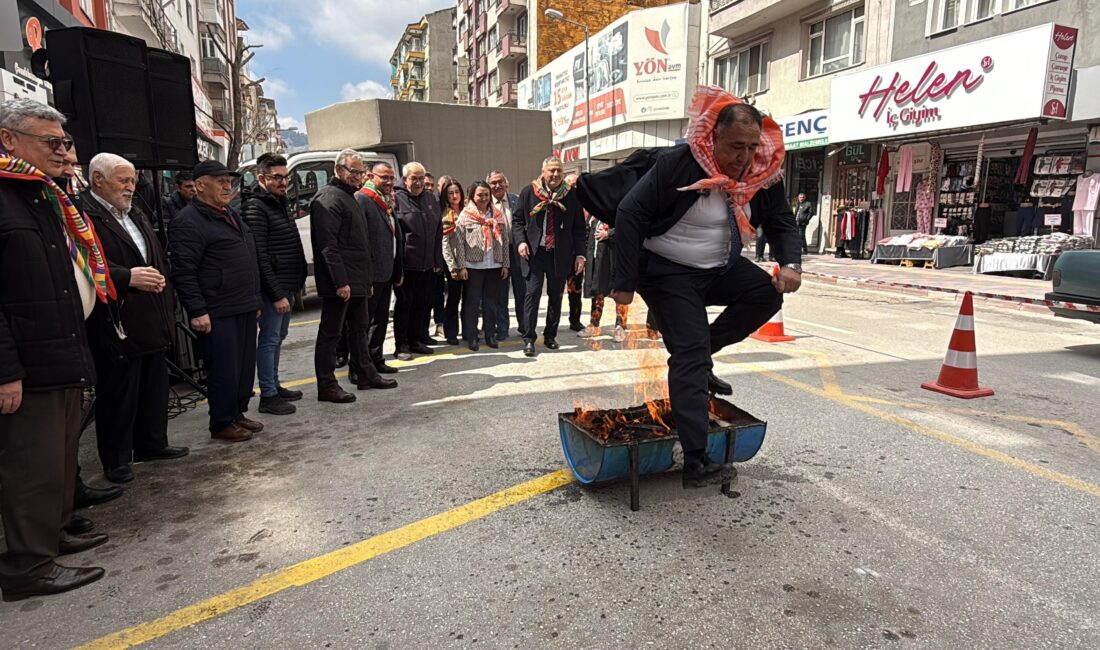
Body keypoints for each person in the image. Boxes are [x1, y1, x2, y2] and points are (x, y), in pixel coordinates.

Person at [610, 88, 803, 488]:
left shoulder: (762, 172)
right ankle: (695, 461)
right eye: (735, 147)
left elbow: (782, 220)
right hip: (667, 271)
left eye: (751, 147)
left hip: (718, 267)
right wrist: (624, 284)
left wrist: (791, 263)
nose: (743, 158)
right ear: (713, 138)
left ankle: (697, 357)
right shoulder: (680, 164)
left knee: (765, 292)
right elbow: (631, 211)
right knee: (691, 354)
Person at [0, 98, 109, 601]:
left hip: (61, 350)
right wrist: (6, 370)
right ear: (9, 140)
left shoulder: (42, 195)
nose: (64, 152)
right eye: (53, 143)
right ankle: (27, 566)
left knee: (60, 458)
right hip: (28, 362)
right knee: (32, 465)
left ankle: (51, 534)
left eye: (65, 143)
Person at [84, 153, 189, 483]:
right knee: (119, 393)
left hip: (152, 314)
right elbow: (86, 265)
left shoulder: (136, 213)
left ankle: (151, 443)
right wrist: (125, 277)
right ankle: (116, 459)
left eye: (132, 180)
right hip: (118, 317)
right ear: (98, 179)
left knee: (154, 386)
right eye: (123, 180)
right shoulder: (85, 215)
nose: (131, 187)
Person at [170, 160, 263, 442]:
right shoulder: (188, 221)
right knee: (223, 368)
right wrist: (197, 310)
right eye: (219, 180)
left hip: (243, 304)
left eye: (228, 180)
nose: (227, 185)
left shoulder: (229, 214)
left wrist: (254, 298)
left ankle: (236, 412)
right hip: (217, 309)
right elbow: (184, 271)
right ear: (199, 185)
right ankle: (222, 421)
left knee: (244, 367)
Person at [311, 149, 397, 402]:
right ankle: (326, 385)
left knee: (359, 329)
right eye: (353, 171)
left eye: (361, 172)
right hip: (342, 282)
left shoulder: (351, 197)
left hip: (359, 279)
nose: (358, 176)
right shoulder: (329, 198)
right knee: (331, 334)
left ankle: (365, 372)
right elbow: (329, 245)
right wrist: (341, 282)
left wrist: (366, 279)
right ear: (338, 170)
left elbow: (361, 243)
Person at [241, 153, 307, 416]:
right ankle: (268, 395)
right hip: (274, 289)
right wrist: (277, 293)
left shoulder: (278, 202)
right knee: (269, 340)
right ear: (261, 178)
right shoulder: (256, 207)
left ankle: (274, 385)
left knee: (278, 338)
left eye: (285, 177)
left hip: (287, 284)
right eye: (276, 177)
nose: (283, 182)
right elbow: (260, 255)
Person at [512, 156, 587, 358]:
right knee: (532, 295)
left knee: (556, 296)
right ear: (543, 172)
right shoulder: (530, 192)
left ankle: (550, 335)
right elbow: (518, 221)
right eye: (551, 170)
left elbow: (579, 229)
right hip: (535, 253)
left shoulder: (571, 196)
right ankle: (529, 338)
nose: (555, 175)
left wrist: (580, 254)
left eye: (558, 171)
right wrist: (520, 242)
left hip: (560, 254)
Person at [444, 181, 510, 351]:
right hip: (472, 266)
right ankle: (471, 336)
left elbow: (504, 243)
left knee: (491, 303)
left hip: (494, 265)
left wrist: (505, 264)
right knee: (471, 304)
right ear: (472, 196)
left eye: (486, 195)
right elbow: (458, 243)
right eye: (480, 195)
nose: (483, 198)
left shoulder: (497, 215)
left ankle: (490, 335)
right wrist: (461, 267)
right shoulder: (465, 216)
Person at [356, 161, 403, 375]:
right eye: (384, 177)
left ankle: (376, 359)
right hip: (371, 274)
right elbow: (361, 241)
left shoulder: (386, 200)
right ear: (370, 176)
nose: (388, 182)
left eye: (391, 178)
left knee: (380, 320)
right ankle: (360, 365)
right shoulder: (364, 199)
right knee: (363, 323)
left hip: (387, 270)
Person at [393, 162, 444, 360]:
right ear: (405, 179)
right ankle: (402, 345)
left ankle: (416, 341)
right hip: (407, 265)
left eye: (421, 178)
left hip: (427, 264)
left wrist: (437, 260)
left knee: (422, 305)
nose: (418, 182)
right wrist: (398, 267)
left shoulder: (430, 199)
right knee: (405, 305)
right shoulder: (396, 199)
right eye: (414, 178)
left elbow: (438, 233)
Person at [578, 215, 629, 342]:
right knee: (597, 292)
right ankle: (594, 324)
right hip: (596, 258)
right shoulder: (594, 214)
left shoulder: (620, 209)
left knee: (618, 293)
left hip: (614, 258)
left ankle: (620, 327)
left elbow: (628, 227)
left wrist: (609, 233)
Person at [488, 170, 522, 341]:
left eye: (500, 181)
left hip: (517, 252)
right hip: (498, 253)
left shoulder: (516, 200)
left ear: (506, 184)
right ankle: (502, 329)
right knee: (500, 294)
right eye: (493, 182)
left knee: (522, 291)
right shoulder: (486, 204)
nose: (497, 185)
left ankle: (524, 325)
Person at [437, 177, 465, 346]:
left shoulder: (468, 209)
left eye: (457, 192)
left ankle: (469, 329)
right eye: (450, 193)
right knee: (454, 298)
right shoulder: (446, 214)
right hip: (453, 262)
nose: (454, 196)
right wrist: (452, 266)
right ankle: (451, 332)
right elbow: (445, 244)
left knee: (470, 298)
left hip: (470, 261)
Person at [563, 172, 585, 333]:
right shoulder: (560, 201)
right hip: (560, 254)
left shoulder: (586, 202)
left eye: (576, 185)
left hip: (577, 254)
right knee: (555, 291)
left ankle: (575, 319)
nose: (574, 188)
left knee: (575, 290)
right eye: (571, 185)